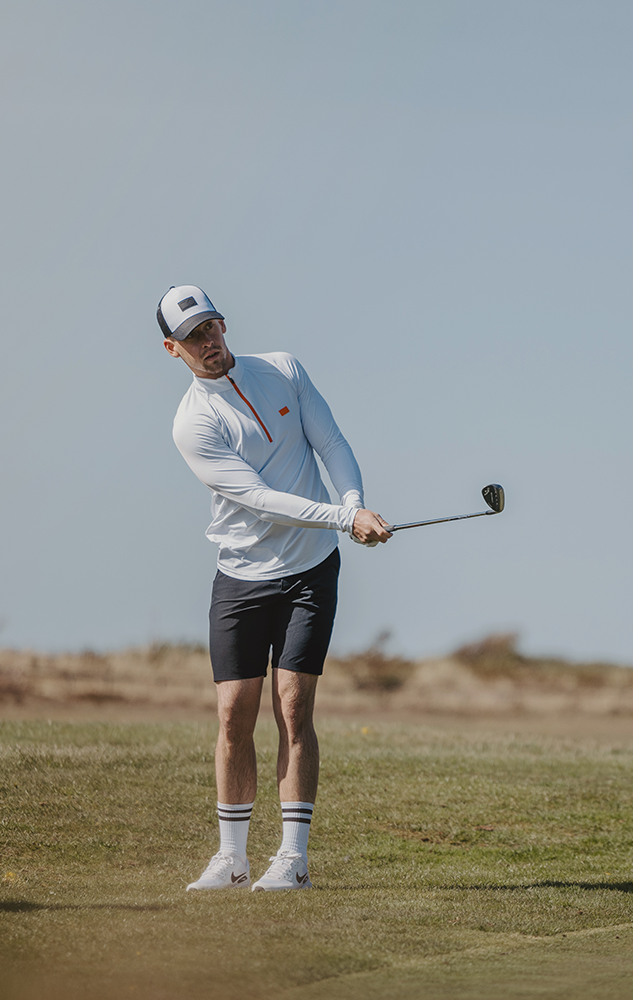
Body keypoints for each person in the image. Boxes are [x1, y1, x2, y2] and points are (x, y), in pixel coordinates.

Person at [158, 285, 392, 892]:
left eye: (211, 329)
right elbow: (259, 500)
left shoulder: (283, 369)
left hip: (311, 570)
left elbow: (332, 445)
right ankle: (231, 858)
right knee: (234, 713)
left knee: (294, 707)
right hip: (241, 576)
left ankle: (292, 858)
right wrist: (346, 519)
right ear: (172, 349)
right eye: (192, 339)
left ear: (223, 325)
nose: (207, 344)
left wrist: (354, 503)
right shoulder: (192, 423)